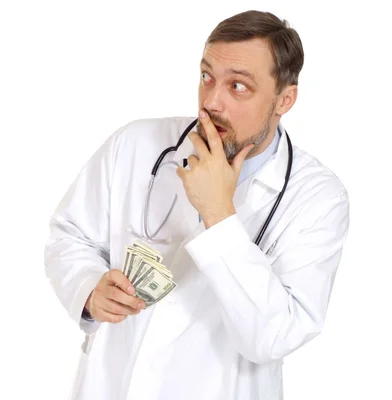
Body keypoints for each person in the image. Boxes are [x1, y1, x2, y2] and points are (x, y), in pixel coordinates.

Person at [44, 10, 350, 400]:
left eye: (238, 86)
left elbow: (275, 336)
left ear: (284, 99)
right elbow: (69, 236)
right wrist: (88, 288)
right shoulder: (136, 144)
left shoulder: (319, 198)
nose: (211, 101)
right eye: (207, 77)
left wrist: (219, 215)